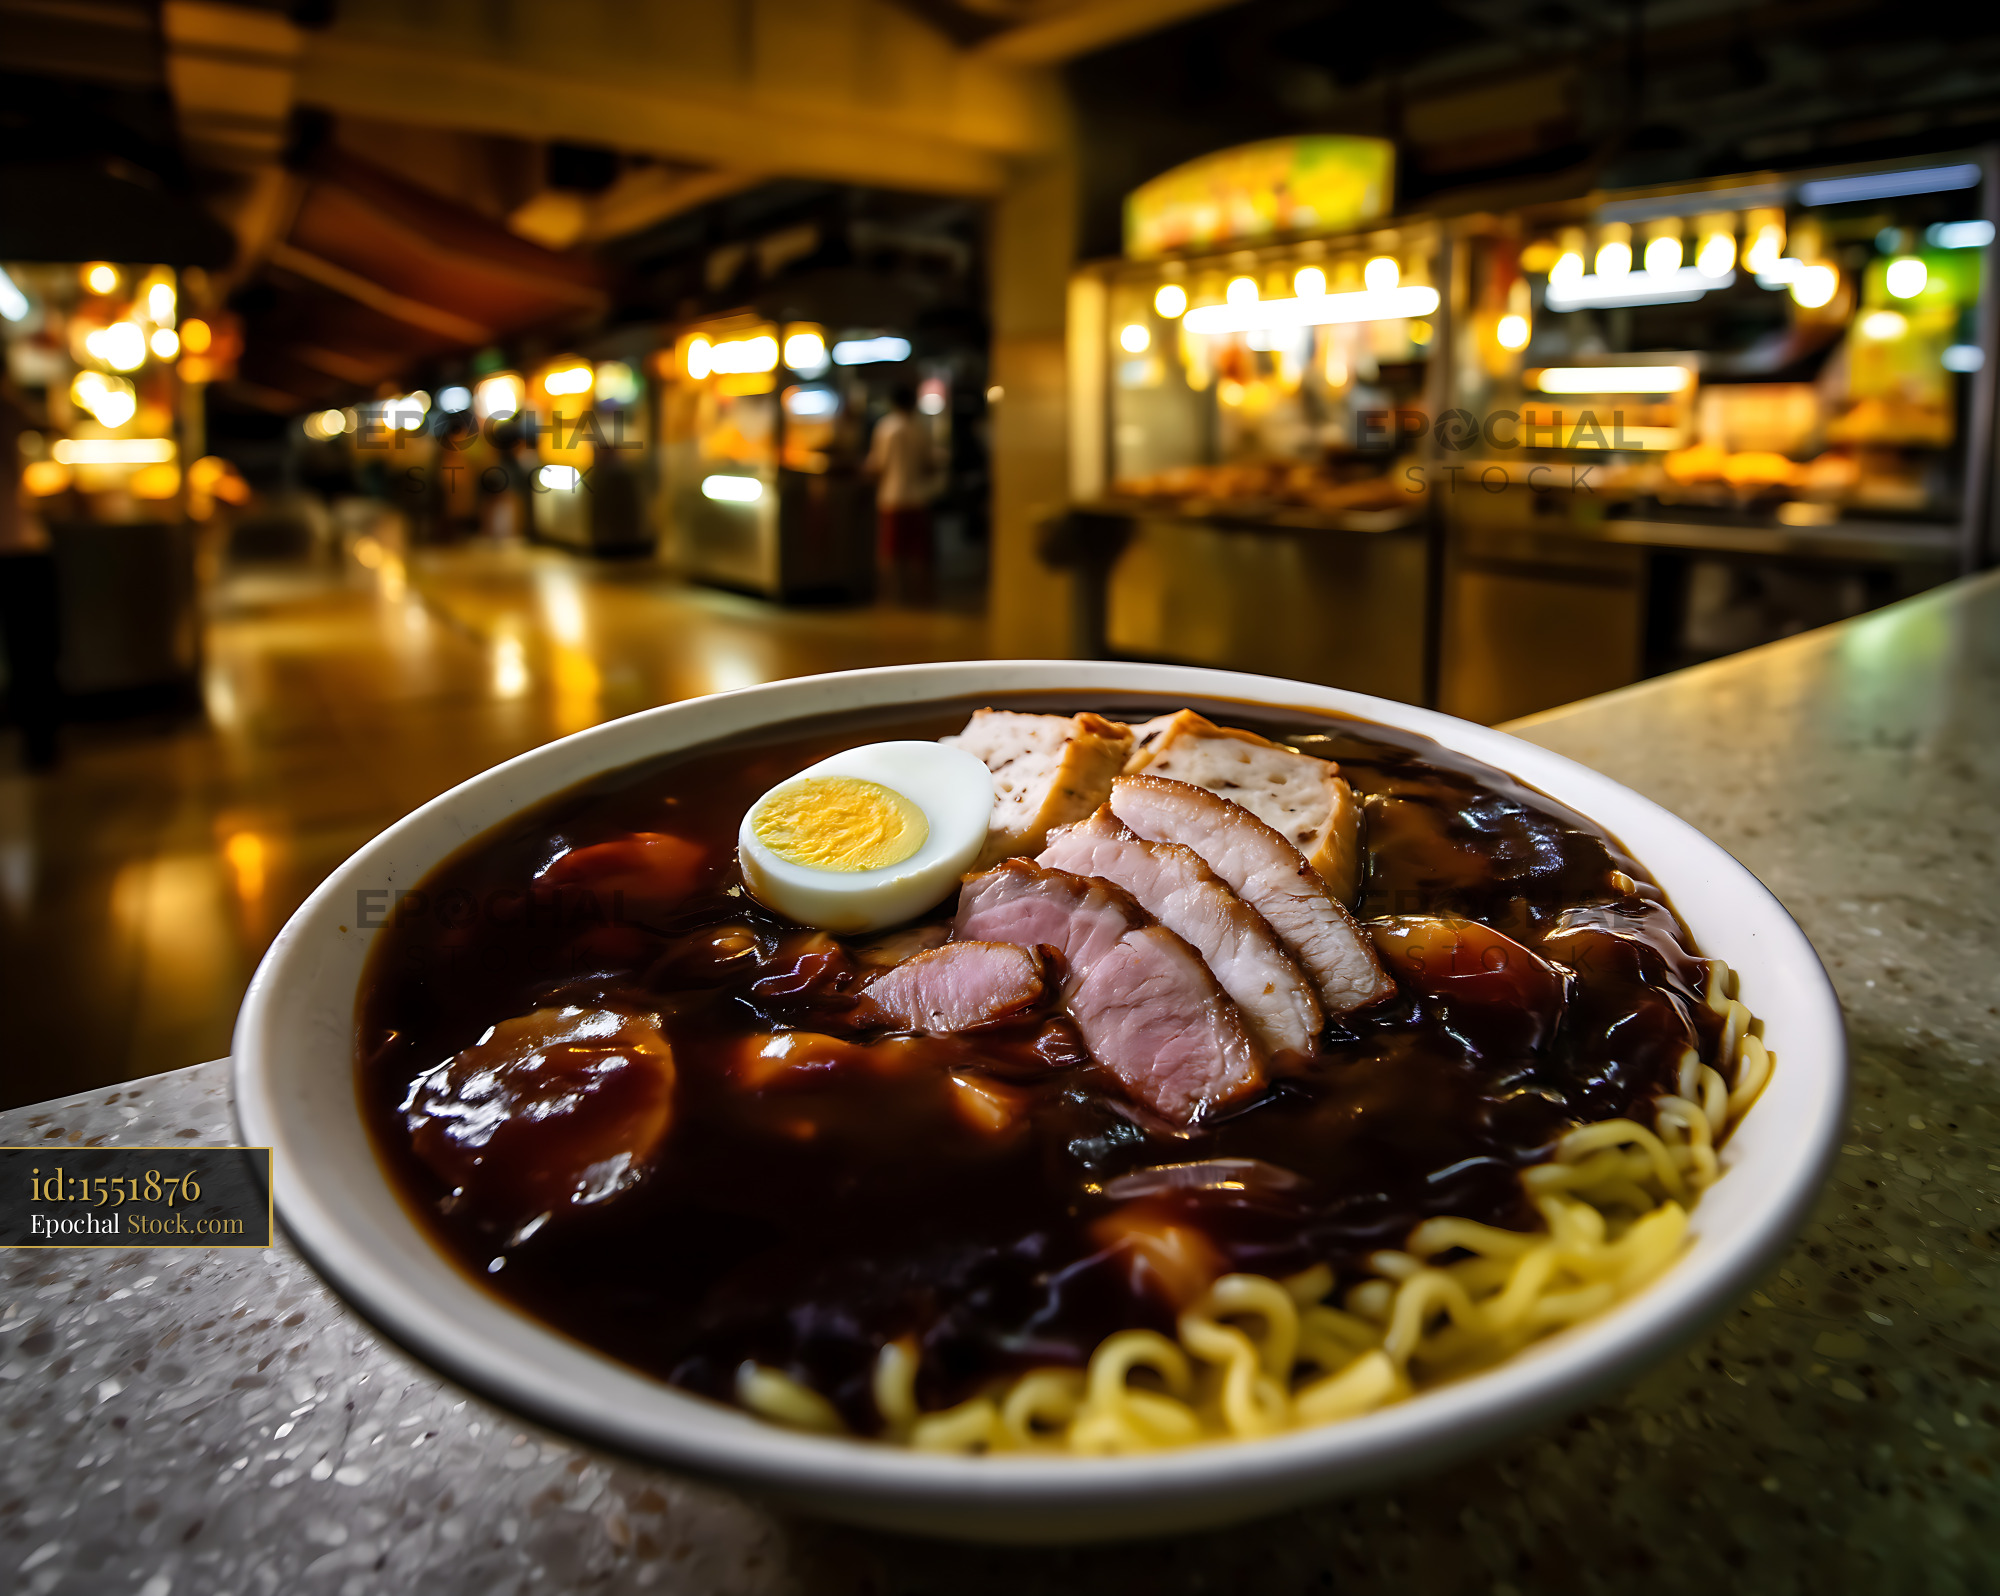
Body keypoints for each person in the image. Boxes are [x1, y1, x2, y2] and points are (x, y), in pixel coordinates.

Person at [865, 384, 936, 605]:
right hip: (918, 497)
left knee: (890, 551)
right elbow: (929, 464)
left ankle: (893, 596)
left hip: (892, 497)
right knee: (917, 552)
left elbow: (878, 465)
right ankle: (919, 594)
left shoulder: (886, 428)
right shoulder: (922, 428)